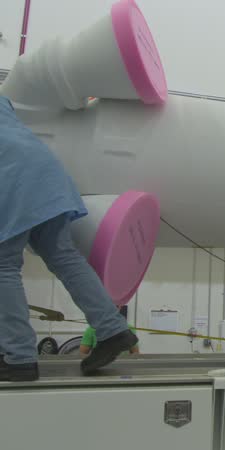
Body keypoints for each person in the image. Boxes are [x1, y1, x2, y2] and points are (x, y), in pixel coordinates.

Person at [0, 96, 138, 381]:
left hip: (10, 171)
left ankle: (19, 358)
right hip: (44, 168)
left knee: (3, 266)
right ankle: (113, 330)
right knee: (63, 255)